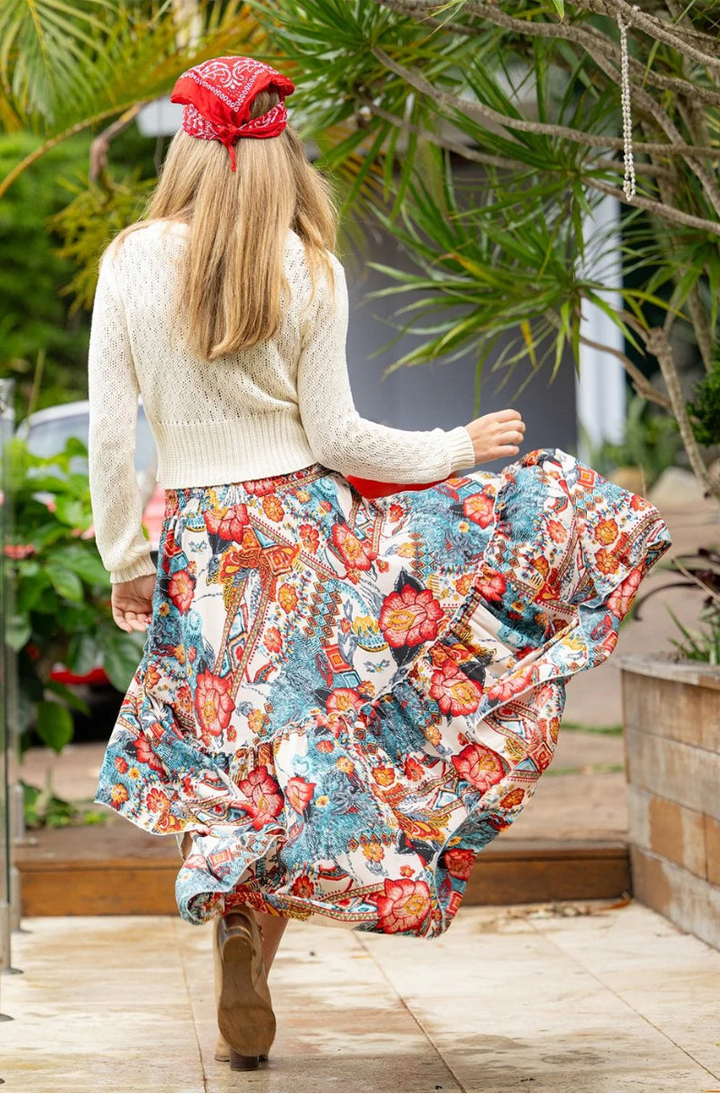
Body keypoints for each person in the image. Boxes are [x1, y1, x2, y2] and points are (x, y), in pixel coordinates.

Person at [88, 55, 671, 1072]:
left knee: (235, 760)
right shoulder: (310, 264)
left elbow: (108, 435)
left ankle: (231, 918)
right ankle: (252, 948)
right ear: (282, 153)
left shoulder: (131, 261)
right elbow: (345, 437)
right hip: (309, 544)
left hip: (203, 555)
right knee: (305, 763)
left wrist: (124, 559)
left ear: (184, 146)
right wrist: (459, 447)